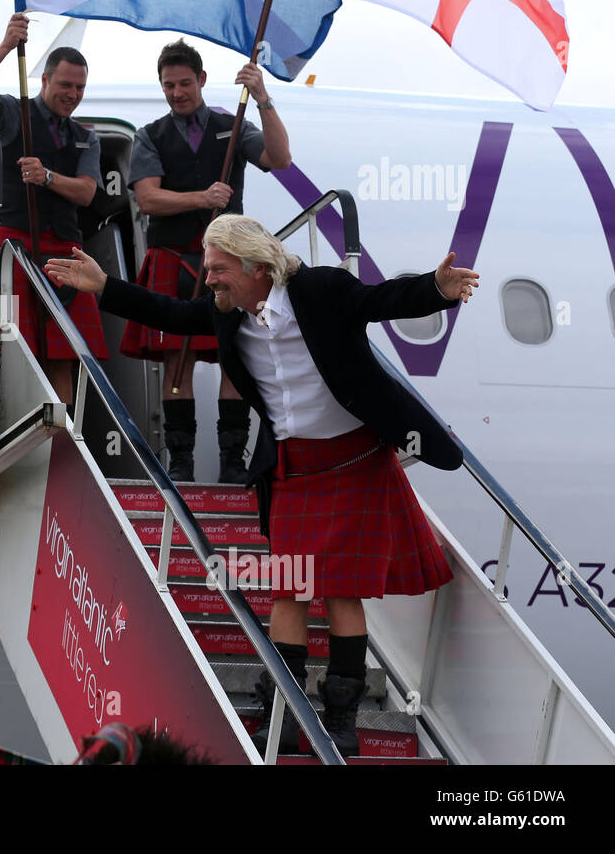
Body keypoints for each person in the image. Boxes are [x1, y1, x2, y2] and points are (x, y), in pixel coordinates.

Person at [43, 215, 480, 756]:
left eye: (219, 268)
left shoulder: (319, 291)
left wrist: (436, 289)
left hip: (355, 461)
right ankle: (288, 714)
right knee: (288, 590)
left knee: (342, 591)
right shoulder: (229, 315)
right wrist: (105, 286)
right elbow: (173, 316)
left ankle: (341, 721)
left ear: (256, 266)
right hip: (293, 468)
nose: (209, 279)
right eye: (207, 269)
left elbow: (378, 301)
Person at [121, 38, 292, 483]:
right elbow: (148, 198)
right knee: (177, 362)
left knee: (231, 355)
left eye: (184, 83)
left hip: (228, 259)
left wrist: (262, 98)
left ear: (202, 79)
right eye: (168, 85)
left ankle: (233, 464)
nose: (176, 92)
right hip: (174, 255)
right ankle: (181, 464)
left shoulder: (230, 124)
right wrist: (202, 197)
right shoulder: (149, 135)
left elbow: (280, 158)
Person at [0, 13, 108, 404]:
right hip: (15, 249)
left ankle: (60, 451)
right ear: (43, 80)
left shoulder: (86, 138)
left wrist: (48, 178)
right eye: (65, 84)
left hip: (64, 253)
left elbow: (87, 193)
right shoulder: (13, 111)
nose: (72, 94)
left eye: (80, 87)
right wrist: (7, 45)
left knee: (63, 358)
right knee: (16, 352)